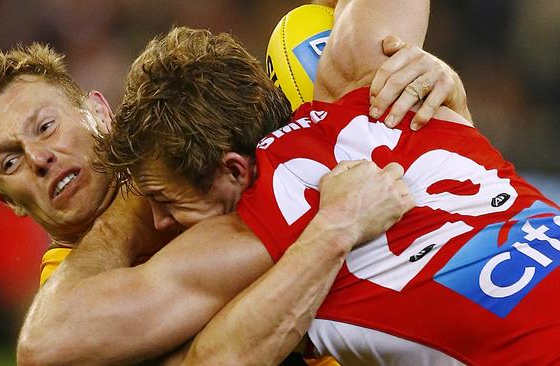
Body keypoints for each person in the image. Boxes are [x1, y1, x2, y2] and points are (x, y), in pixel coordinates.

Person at [0, 8, 470, 366]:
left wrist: (434, 85)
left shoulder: (212, 157)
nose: (39, 158)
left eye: (45, 126)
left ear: (100, 112)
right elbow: (42, 346)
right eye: (9, 161)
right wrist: (131, 204)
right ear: (8, 201)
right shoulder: (76, 289)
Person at [103, 1, 560, 365]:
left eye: (164, 198)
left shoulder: (245, 238)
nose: (158, 220)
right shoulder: (378, 85)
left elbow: (52, 343)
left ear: (235, 171)